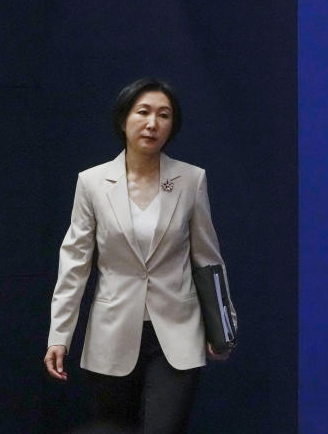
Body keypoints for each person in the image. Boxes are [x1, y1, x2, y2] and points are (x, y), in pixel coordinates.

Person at [44, 78, 237, 434]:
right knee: (116, 428)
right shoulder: (92, 182)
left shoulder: (190, 179)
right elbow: (74, 264)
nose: (153, 123)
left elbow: (208, 258)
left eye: (164, 115)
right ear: (123, 120)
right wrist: (60, 334)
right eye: (143, 112)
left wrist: (222, 324)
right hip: (113, 330)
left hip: (177, 330)